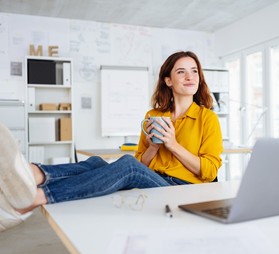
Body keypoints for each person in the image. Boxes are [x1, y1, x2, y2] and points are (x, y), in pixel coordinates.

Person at [0, 51, 223, 231]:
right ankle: (33, 173)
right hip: (154, 179)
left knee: (127, 165)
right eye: (181, 72)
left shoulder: (207, 118)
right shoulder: (153, 116)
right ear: (168, 81)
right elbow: (142, 164)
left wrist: (173, 145)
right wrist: (153, 148)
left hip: (182, 190)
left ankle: (36, 197)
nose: (190, 77)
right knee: (97, 162)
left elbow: (210, 172)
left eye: (194, 71)